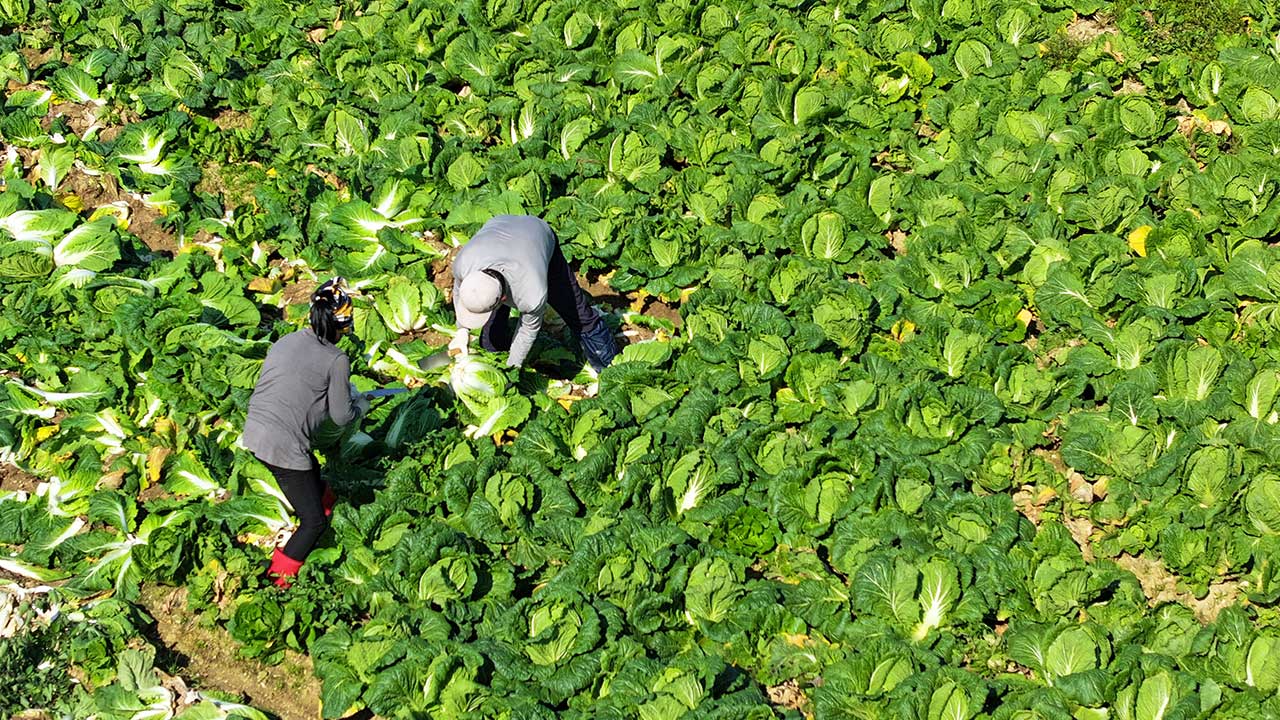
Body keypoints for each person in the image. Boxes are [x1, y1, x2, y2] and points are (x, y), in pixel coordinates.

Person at [242, 277, 370, 588]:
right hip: (284, 447)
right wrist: (360, 406)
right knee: (313, 522)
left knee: (311, 470)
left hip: (255, 431)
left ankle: (327, 502)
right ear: (341, 326)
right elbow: (341, 416)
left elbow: (292, 390)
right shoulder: (336, 359)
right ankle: (277, 581)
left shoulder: (286, 341)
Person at [450, 214, 618, 372]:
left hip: (536, 233)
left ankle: (609, 366)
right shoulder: (463, 264)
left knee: (577, 312)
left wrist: (511, 370)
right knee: (490, 325)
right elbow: (460, 292)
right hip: (500, 227)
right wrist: (461, 331)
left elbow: (526, 332)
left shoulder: (531, 293)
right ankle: (497, 351)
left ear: (503, 298)